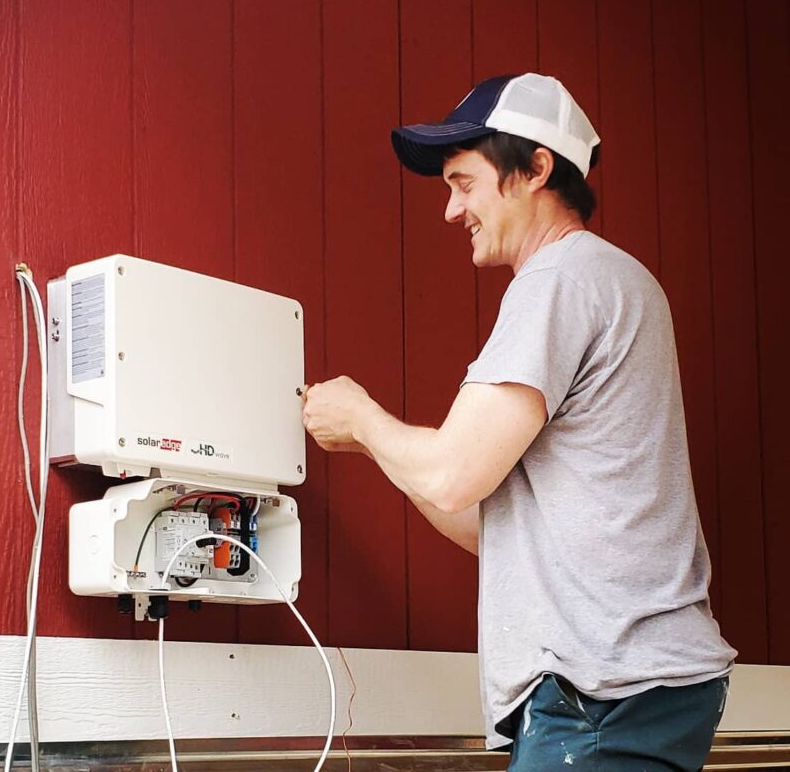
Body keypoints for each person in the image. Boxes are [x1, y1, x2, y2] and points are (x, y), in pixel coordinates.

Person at [301, 73, 735, 771]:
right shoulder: (618, 280)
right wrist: (374, 444)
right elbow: (488, 525)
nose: (452, 210)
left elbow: (452, 475)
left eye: (464, 183)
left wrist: (364, 417)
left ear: (535, 169)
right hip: (642, 684)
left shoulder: (558, 279)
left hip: (602, 690)